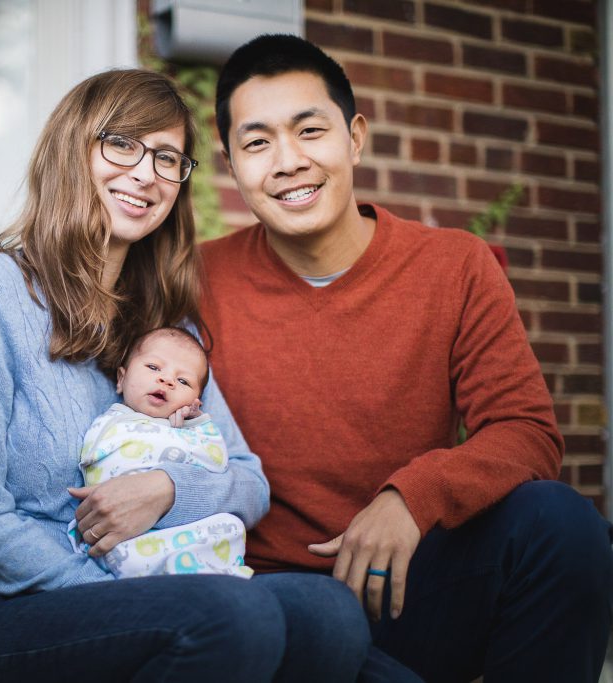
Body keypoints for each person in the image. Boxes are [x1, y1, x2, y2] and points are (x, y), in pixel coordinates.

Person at [0, 67, 371, 683]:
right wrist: (119, 588)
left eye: (168, 158)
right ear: (74, 149)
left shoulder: (167, 327)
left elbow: (248, 482)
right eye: (122, 143)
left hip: (147, 593)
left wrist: (169, 489)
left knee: (328, 611)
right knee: (231, 617)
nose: (147, 174)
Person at [200, 34, 611, 681]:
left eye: (310, 130)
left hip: (412, 585)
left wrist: (412, 496)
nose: (287, 161)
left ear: (355, 137)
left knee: (563, 526)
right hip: (278, 606)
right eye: (257, 143)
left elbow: (527, 431)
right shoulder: (197, 281)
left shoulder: (454, 266)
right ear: (231, 162)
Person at [69, 326, 252, 579]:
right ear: (121, 379)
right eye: (153, 368)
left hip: (183, 529)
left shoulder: (188, 431)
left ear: (195, 401)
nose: (166, 380)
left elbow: (218, 464)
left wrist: (197, 427)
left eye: (183, 381)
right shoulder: (112, 421)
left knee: (230, 527)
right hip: (125, 534)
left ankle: (208, 571)